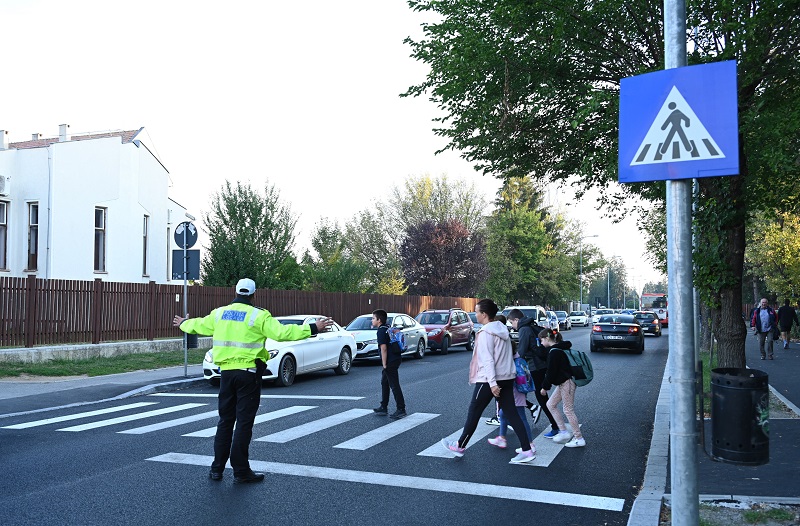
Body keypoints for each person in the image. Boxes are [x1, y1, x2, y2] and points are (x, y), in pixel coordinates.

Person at [173, 278, 332, 483]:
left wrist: (184, 323)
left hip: (226, 375)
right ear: (253, 294)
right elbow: (282, 333)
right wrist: (312, 328)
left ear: (236, 292)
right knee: (244, 423)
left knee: (225, 422)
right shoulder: (259, 315)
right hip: (248, 375)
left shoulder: (220, 313)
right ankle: (240, 470)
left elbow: (200, 325)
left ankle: (216, 469)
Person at [441, 299, 535, 463]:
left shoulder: (485, 333)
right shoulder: (502, 329)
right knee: (512, 414)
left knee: (474, 412)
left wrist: (492, 383)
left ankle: (460, 446)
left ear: (484, 314)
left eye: (477, 312)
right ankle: (527, 450)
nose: (475, 314)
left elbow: (488, 360)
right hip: (506, 377)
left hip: (489, 379)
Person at [508, 308, 560, 439]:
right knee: (542, 397)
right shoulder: (529, 325)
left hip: (535, 367)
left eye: (511, 322)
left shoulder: (523, 329)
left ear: (516, 320)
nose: (512, 326)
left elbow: (523, 350)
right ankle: (554, 424)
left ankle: (555, 426)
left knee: (542, 398)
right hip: (539, 365)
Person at [539, 328, 585, 448]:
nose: (541, 343)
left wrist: (545, 387)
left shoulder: (554, 352)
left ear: (547, 338)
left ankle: (579, 438)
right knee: (550, 404)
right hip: (563, 383)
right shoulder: (559, 349)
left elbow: (551, 372)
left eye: (541, 340)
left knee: (568, 410)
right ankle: (563, 432)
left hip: (567, 383)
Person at [487, 350, 536, 455]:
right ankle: (502, 438)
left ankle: (530, 444)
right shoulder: (519, 359)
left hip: (514, 392)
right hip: (519, 390)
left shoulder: (510, 362)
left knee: (521, 417)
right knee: (502, 414)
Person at [372, 309, 406, 419]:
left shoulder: (381, 331)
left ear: (379, 320)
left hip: (390, 361)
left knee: (394, 385)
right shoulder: (387, 327)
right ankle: (383, 406)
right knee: (384, 382)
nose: (372, 321)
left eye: (373, 318)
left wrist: (384, 364)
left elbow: (384, 348)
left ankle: (401, 409)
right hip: (395, 358)